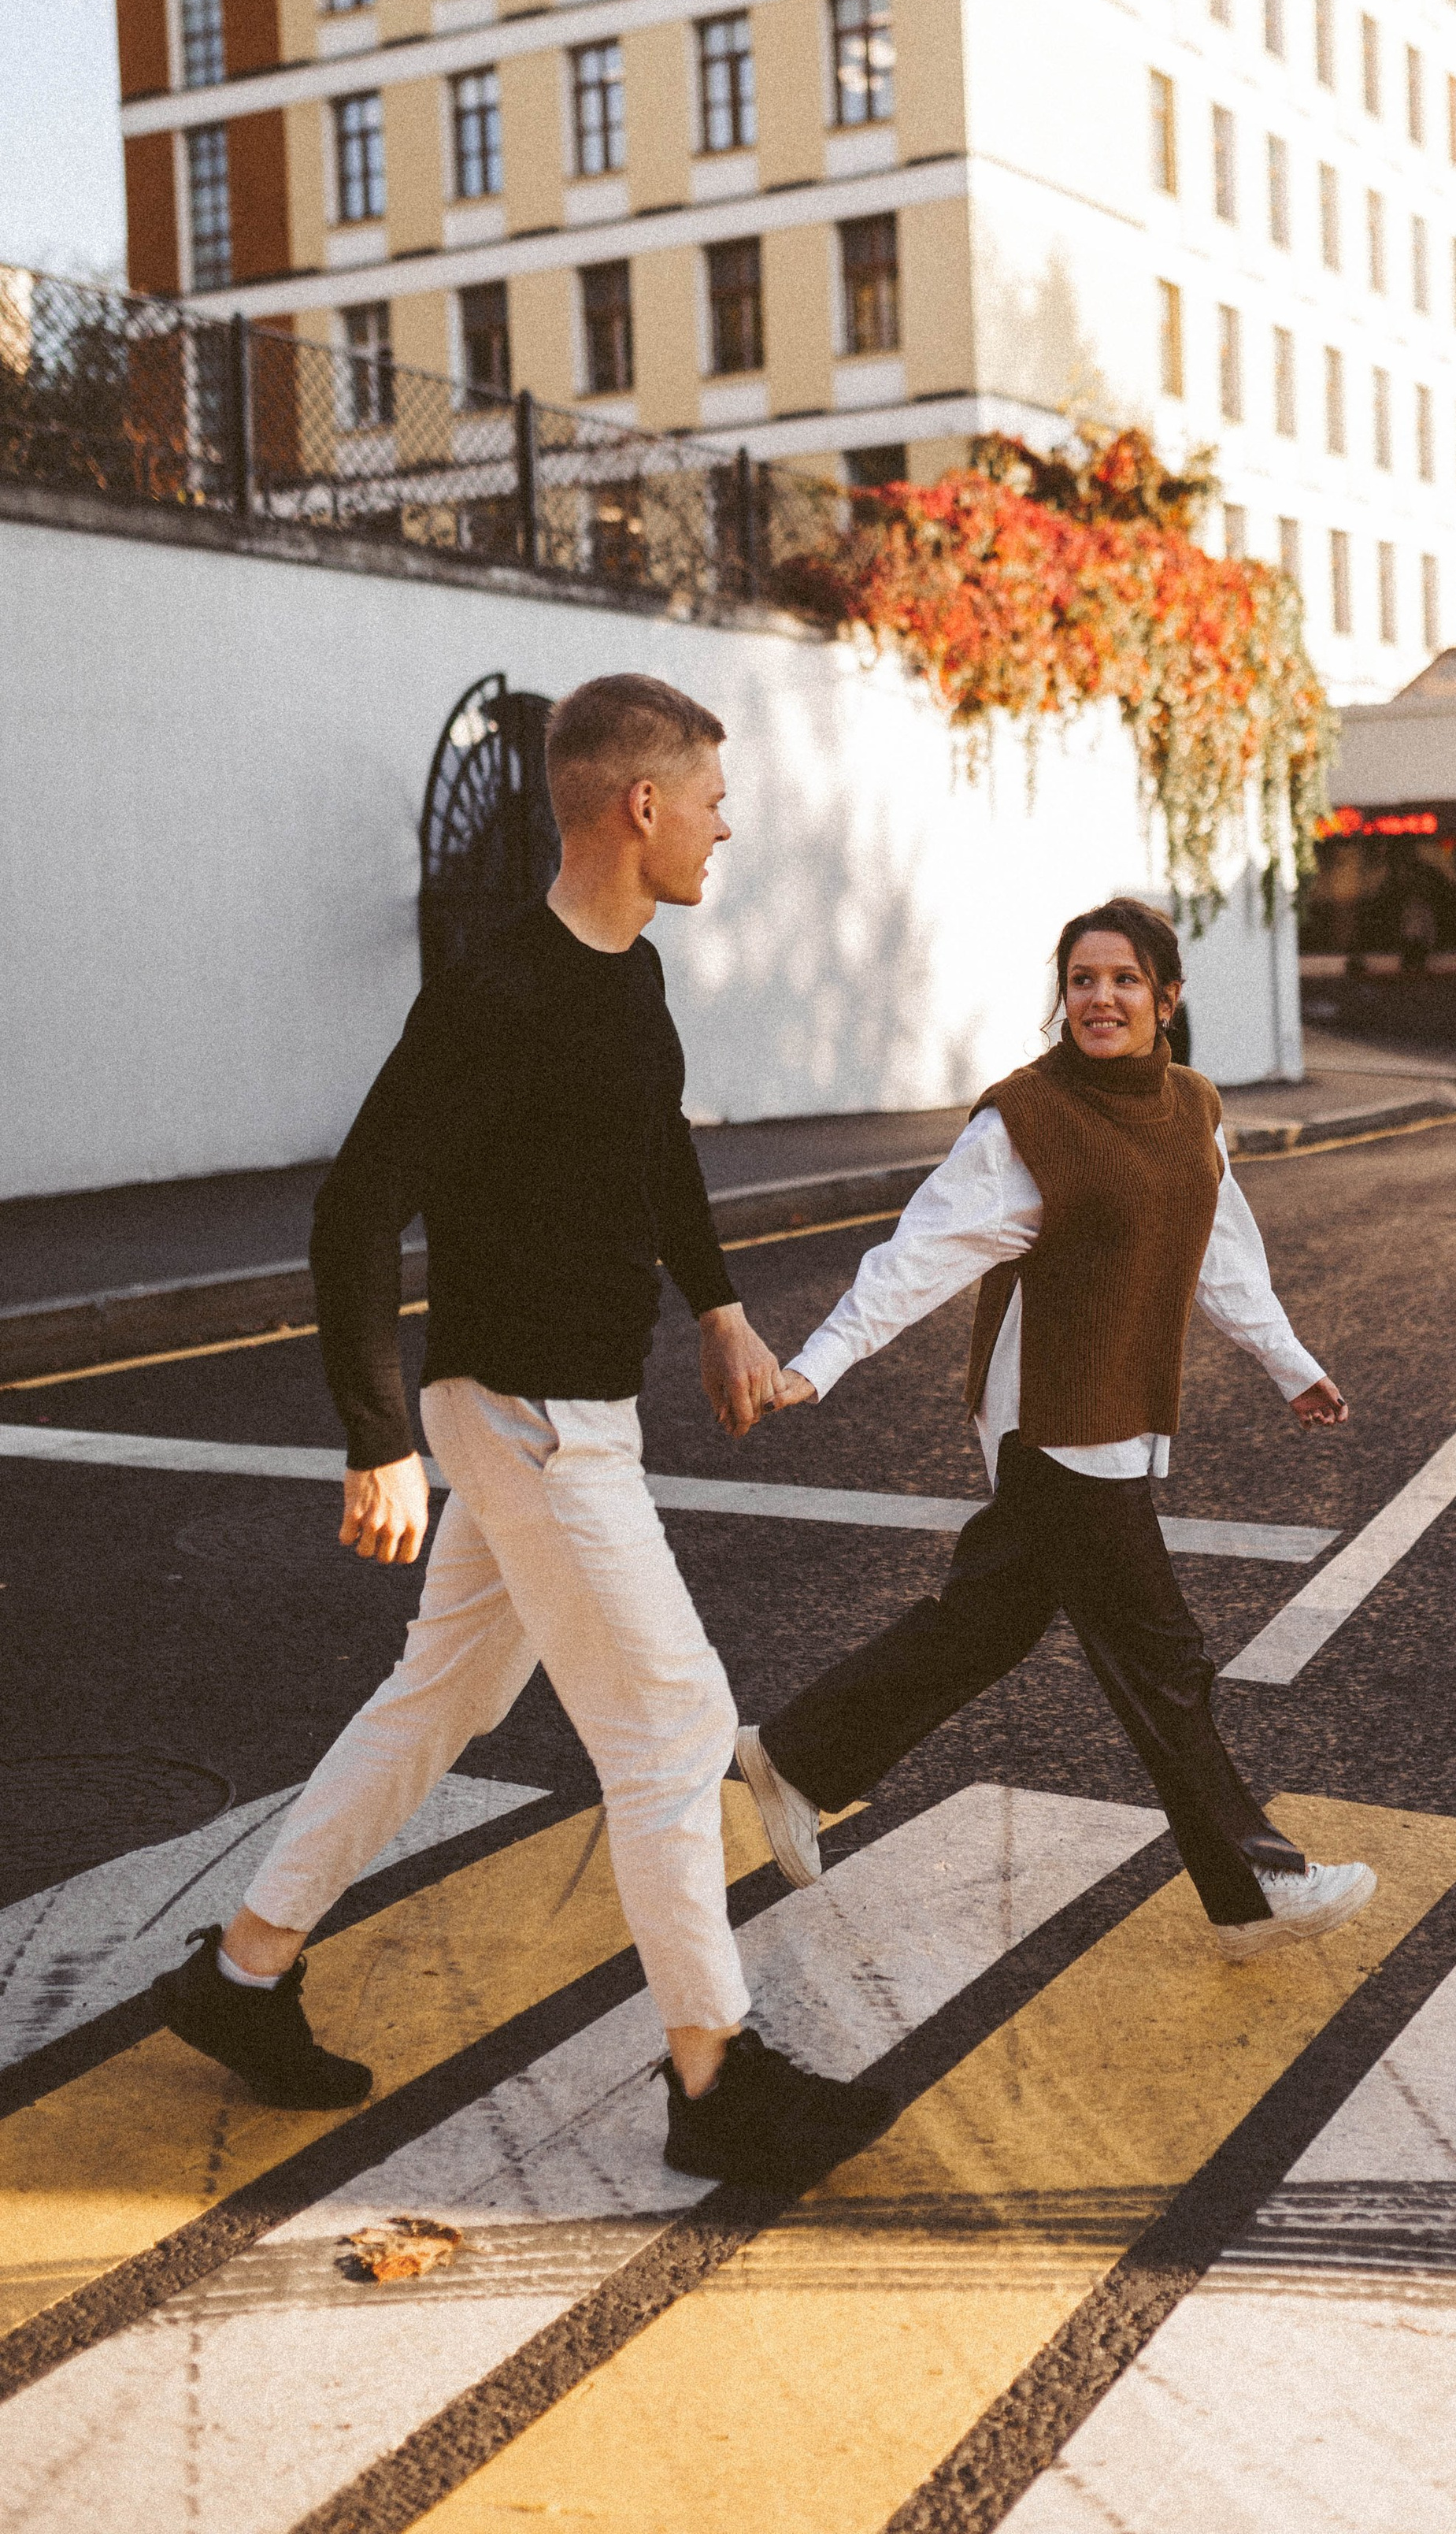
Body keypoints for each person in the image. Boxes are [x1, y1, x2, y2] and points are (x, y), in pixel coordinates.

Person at [153, 673, 890, 2186]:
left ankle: (242, 1969)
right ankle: (713, 2078)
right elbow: (359, 1201)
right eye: (708, 797)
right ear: (639, 808)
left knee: (440, 1701)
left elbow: (656, 1145)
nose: (723, 822)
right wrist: (378, 1440)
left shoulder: (631, 980)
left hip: (568, 1408)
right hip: (528, 1416)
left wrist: (720, 1304)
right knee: (678, 1729)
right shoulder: (498, 987)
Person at [734, 900, 1377, 1959]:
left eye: (1124, 980)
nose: (1101, 999)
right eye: (1082, 980)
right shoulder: (1024, 1120)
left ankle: (798, 1758)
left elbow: (1222, 1255)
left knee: (990, 1621)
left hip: (1117, 1415)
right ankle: (1254, 1887)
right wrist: (819, 1361)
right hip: (1052, 1423)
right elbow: (919, 1253)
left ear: (1167, 998)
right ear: (1063, 998)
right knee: (1161, 1654)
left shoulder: (1193, 1108)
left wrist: (1290, 1365)